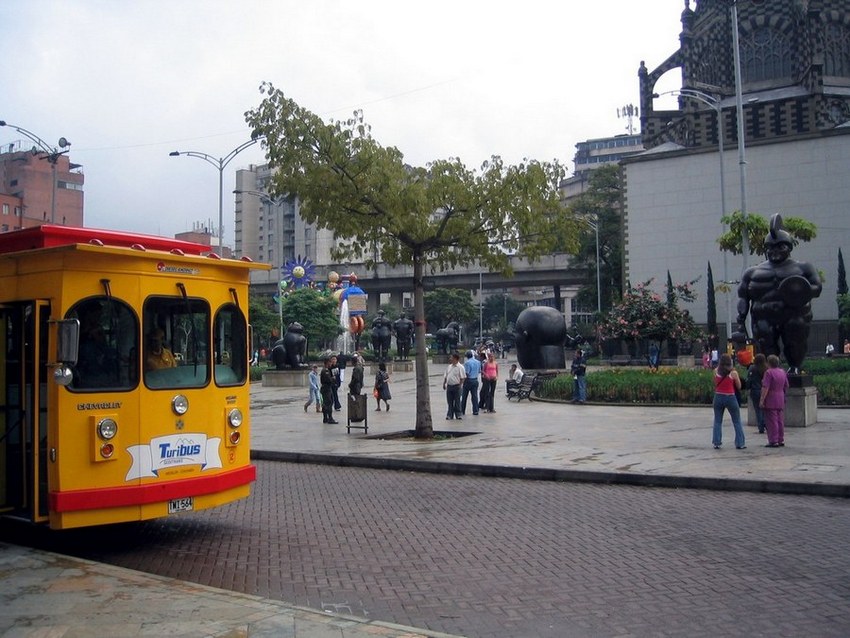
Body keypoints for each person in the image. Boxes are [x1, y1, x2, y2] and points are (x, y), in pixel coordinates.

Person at [734, 213, 822, 374]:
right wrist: (740, 320)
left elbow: (816, 287)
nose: (774, 251)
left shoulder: (803, 268)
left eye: (780, 247)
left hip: (794, 315)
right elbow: (743, 297)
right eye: (770, 247)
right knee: (765, 343)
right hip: (763, 317)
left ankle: (795, 368)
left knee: (795, 343)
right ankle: (771, 372)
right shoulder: (753, 272)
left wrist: (803, 291)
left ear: (789, 247)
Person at [712, 353, 746, 450]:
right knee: (736, 421)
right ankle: (740, 443)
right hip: (730, 396)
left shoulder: (715, 371)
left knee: (717, 420)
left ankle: (716, 442)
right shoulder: (733, 373)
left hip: (718, 396)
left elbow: (715, 382)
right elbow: (739, 387)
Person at [760, 354, 789, 448]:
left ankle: (773, 440)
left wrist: (762, 400)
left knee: (772, 420)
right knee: (780, 420)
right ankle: (781, 439)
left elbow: (766, 387)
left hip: (771, 397)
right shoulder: (782, 372)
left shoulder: (768, 372)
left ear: (768, 363)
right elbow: (786, 385)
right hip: (780, 396)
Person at [747, 353, 767, 434]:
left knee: (757, 409)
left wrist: (747, 387)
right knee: (765, 409)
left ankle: (761, 426)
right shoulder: (766, 368)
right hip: (764, 390)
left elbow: (749, 380)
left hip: (755, 390)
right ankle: (766, 423)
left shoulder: (752, 368)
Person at [443, 352, 466, 420]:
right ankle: (450, 415)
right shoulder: (449, 367)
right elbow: (446, 376)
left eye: (451, 358)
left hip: (457, 386)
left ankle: (458, 414)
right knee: (449, 402)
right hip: (449, 386)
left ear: (456, 359)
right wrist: (444, 383)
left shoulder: (460, 367)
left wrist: (460, 385)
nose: (450, 359)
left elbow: (463, 377)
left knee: (457, 401)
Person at [461, 350, 481, 416]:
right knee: (474, 396)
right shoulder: (478, 362)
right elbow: (479, 371)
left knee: (464, 396)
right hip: (475, 380)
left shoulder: (467, 363)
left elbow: (467, 373)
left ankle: (462, 410)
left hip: (468, 380)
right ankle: (476, 410)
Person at [320, 355, 339, 424]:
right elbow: (328, 380)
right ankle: (330, 418)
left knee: (326, 403)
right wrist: (333, 378)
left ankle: (325, 418)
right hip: (326, 388)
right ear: (327, 362)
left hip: (326, 388)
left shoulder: (325, 370)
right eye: (330, 362)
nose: (331, 364)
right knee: (329, 403)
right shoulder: (326, 370)